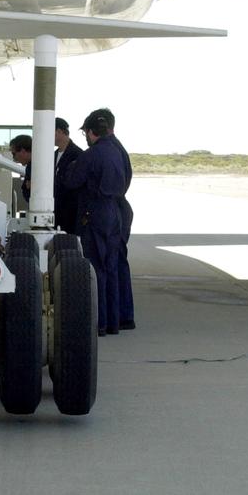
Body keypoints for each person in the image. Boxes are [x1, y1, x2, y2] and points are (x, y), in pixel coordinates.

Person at [60, 110, 126, 336]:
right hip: (114, 211)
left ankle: (98, 322)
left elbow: (71, 182)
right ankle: (112, 322)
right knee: (111, 267)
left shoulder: (91, 155)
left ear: (90, 132)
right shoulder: (117, 152)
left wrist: (70, 167)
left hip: (94, 212)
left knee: (94, 268)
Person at [93, 107, 135, 330]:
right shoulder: (118, 149)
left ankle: (115, 317)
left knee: (112, 263)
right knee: (116, 262)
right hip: (118, 207)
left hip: (112, 208)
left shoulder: (108, 150)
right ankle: (121, 316)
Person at [52, 117, 83, 234]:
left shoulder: (78, 154)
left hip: (70, 213)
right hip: (56, 212)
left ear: (59, 131)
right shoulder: (53, 155)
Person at [9, 134, 32, 203]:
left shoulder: (41, 166)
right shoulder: (29, 167)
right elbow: (25, 190)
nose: (14, 158)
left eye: (14, 154)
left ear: (23, 151)